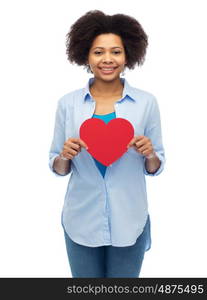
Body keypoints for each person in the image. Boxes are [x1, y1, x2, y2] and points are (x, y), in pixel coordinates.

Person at [48, 10, 166, 278]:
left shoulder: (147, 103)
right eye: (98, 52)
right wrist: (64, 155)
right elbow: (57, 165)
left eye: (116, 52)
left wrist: (149, 154)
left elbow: (156, 165)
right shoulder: (68, 104)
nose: (107, 60)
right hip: (81, 218)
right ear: (86, 57)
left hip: (130, 217)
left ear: (127, 57)